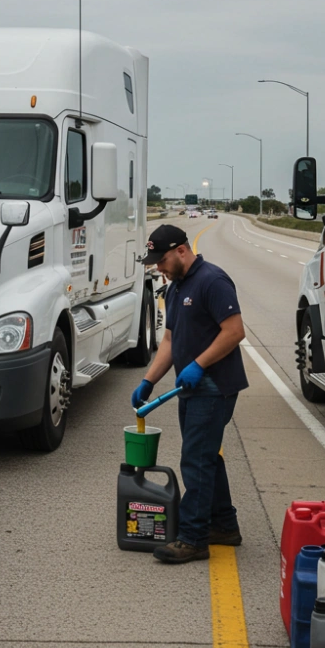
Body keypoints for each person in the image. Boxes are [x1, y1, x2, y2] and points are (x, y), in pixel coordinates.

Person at [131, 224, 248, 564]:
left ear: (181, 250)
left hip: (214, 388)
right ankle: (224, 525)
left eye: (162, 260)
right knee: (206, 456)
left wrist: (198, 364)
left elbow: (235, 330)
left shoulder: (212, 281)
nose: (158, 268)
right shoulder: (174, 288)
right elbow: (169, 340)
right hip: (191, 390)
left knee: (196, 459)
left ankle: (194, 538)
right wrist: (148, 380)